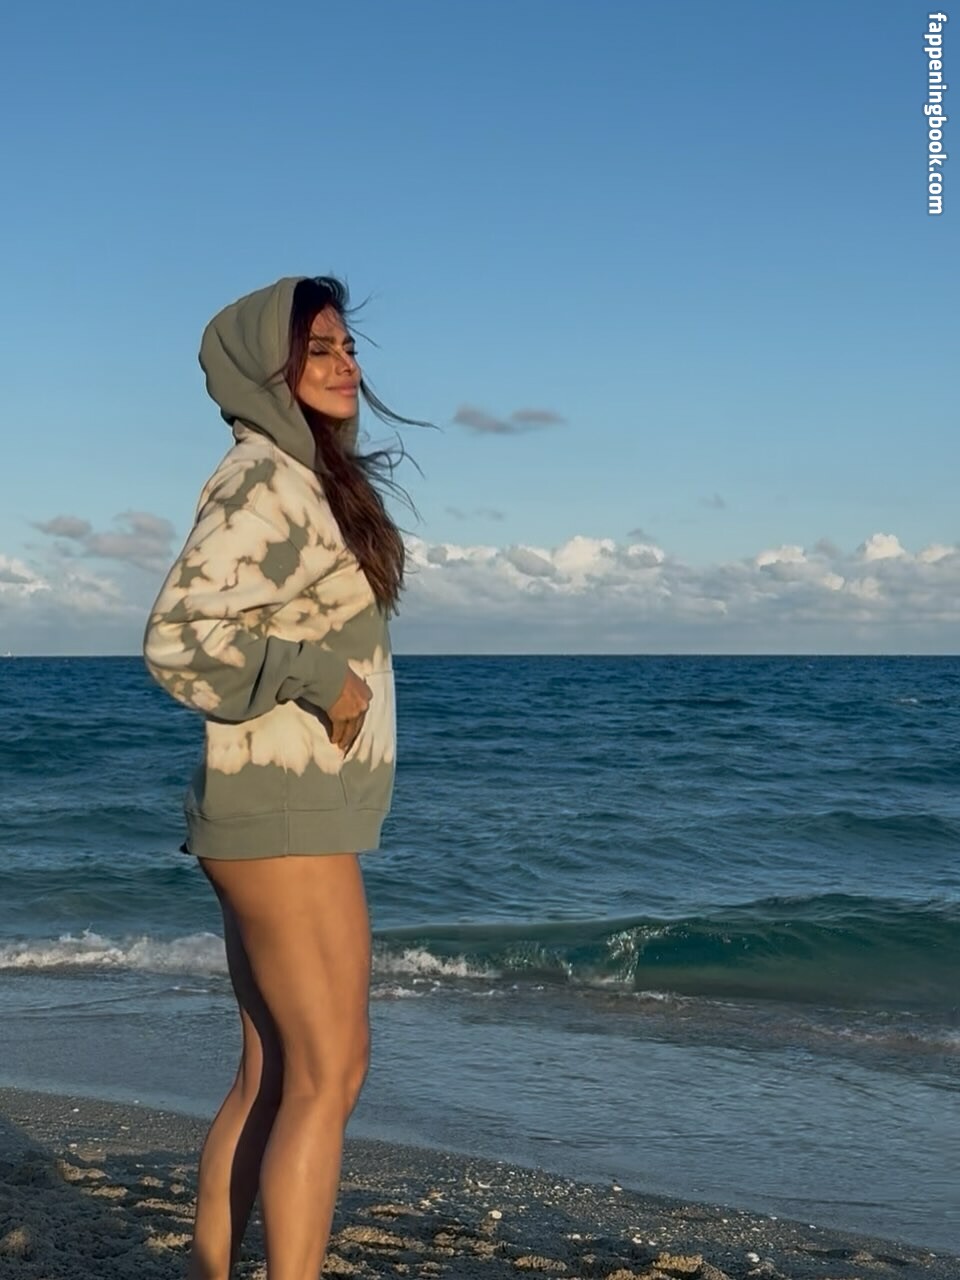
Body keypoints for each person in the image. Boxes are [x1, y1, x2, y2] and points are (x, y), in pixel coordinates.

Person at [142, 275, 422, 1279]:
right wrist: (318, 677)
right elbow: (178, 639)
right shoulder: (262, 479)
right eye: (318, 349)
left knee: (274, 1072)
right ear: (269, 368)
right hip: (284, 813)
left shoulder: (302, 478)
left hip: (285, 810)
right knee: (330, 1070)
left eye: (348, 346)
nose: (344, 363)